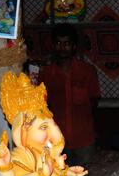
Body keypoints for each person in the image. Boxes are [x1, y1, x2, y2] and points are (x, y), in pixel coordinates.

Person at [38, 23, 101, 167]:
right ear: (53, 46)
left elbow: (94, 103)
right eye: (59, 43)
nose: (62, 47)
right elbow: (41, 108)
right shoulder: (45, 74)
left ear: (73, 47)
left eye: (66, 43)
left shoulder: (87, 71)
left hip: (83, 141)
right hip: (55, 142)